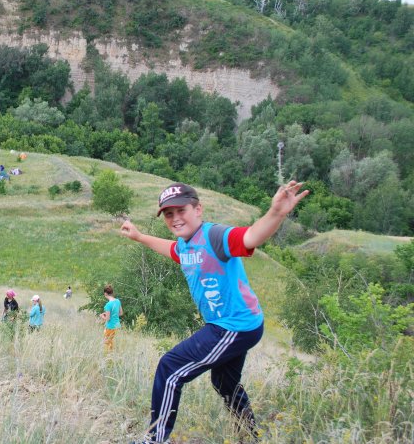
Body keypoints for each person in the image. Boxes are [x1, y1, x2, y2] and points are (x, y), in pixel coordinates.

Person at [121, 181, 308, 443]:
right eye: (168, 214)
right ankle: (249, 434)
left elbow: (251, 237)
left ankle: (155, 440)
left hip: (233, 326)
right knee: (224, 383)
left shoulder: (215, 236)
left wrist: (277, 212)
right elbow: (171, 250)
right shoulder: (185, 245)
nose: (175, 219)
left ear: (198, 209)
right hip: (241, 324)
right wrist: (139, 236)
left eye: (181, 211)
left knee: (171, 368)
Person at [99, 284, 123, 352]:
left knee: (107, 343)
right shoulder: (118, 301)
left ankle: (109, 356)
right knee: (111, 342)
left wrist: (102, 316)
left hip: (110, 326)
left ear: (105, 293)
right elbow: (121, 313)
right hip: (117, 325)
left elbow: (108, 319)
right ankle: (111, 355)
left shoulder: (108, 305)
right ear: (112, 293)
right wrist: (111, 315)